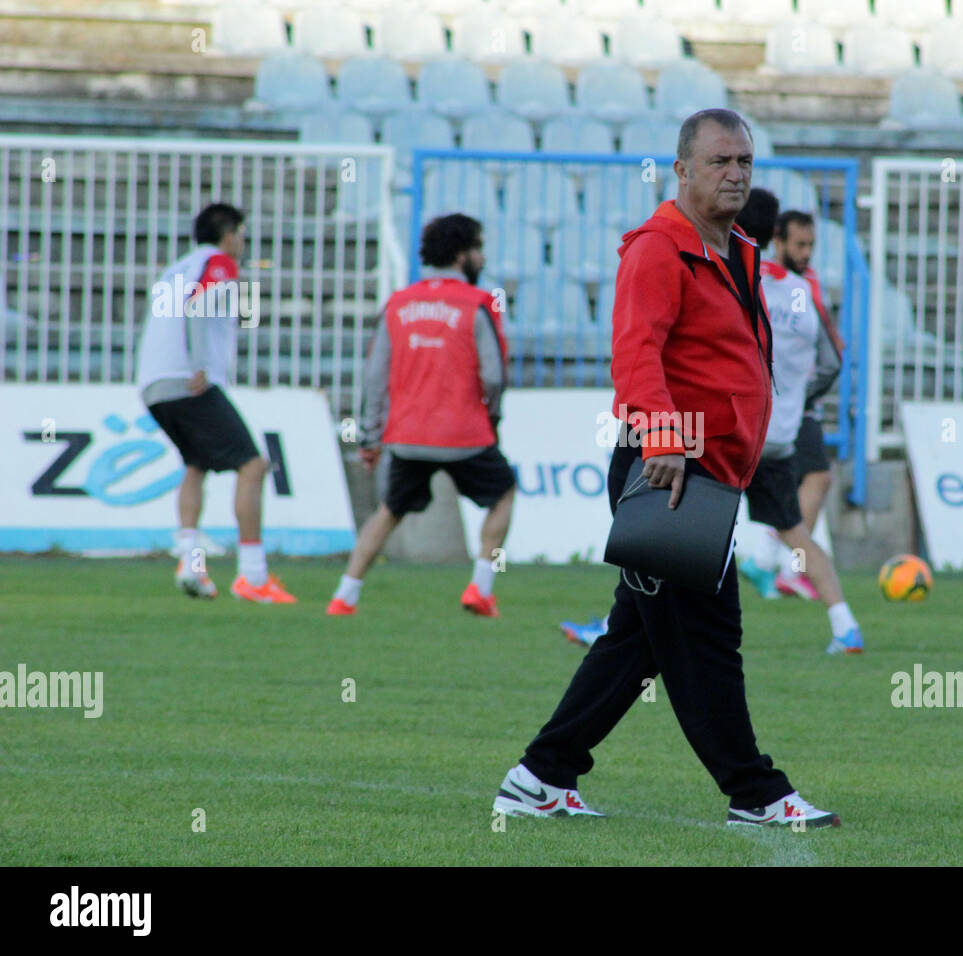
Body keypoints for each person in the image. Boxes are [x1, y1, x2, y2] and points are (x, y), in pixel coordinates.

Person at [492, 109, 840, 828]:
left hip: (708, 472)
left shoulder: (737, 248)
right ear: (682, 171)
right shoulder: (658, 250)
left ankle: (540, 775)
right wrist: (665, 442)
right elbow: (637, 357)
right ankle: (756, 791)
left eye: (745, 160)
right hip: (671, 471)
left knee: (639, 642)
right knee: (708, 638)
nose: (736, 173)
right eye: (720, 161)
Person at [327, 214, 515, 618]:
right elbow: (495, 377)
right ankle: (480, 588)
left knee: (389, 511)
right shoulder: (478, 305)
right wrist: (492, 419)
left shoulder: (398, 303)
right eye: (478, 249)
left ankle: (345, 595)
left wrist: (370, 438)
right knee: (503, 494)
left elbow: (374, 377)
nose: (482, 257)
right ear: (463, 255)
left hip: (407, 435)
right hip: (464, 435)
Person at [136, 202, 296, 604]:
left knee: (196, 463)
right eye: (242, 234)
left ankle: (191, 561)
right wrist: (200, 363)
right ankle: (253, 576)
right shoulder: (219, 262)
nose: (243, 243)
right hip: (187, 378)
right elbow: (197, 306)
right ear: (229, 234)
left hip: (155, 384)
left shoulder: (179, 265)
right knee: (253, 465)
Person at [733, 190, 862, 655]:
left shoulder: (745, 279)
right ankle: (845, 625)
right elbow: (832, 361)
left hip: (734, 436)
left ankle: (616, 626)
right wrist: (793, 400)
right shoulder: (807, 293)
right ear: (776, 236)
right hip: (779, 438)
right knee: (798, 535)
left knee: (678, 530)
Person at [773, 209, 845, 598]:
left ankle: (782, 563)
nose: (806, 253)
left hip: (798, 402)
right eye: (799, 245)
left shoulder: (809, 284)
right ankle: (786, 565)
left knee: (814, 477)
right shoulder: (769, 281)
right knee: (813, 477)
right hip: (781, 404)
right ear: (778, 241)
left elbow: (832, 351)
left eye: (811, 246)